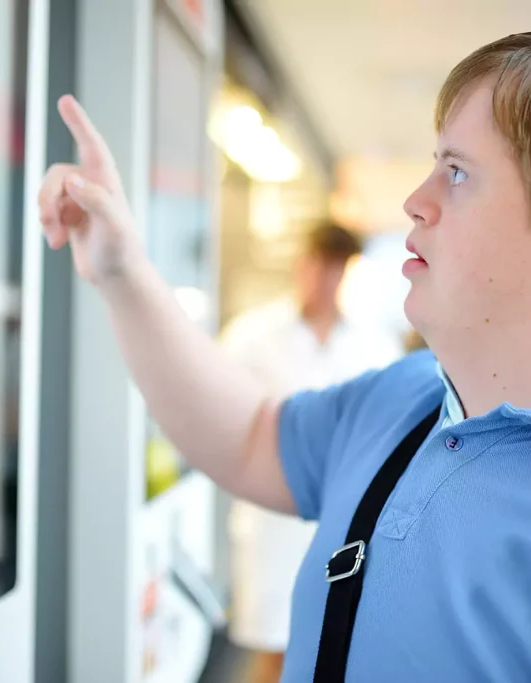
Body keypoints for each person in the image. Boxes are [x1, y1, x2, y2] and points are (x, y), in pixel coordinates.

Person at [39, 26, 531, 682]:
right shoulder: (408, 398)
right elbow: (252, 436)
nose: (416, 200)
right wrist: (121, 270)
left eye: (457, 172)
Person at [219, 223, 401, 682]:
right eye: (317, 263)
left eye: (335, 267)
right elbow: (220, 415)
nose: (324, 277)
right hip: (273, 520)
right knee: (274, 650)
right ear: (302, 263)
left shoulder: (375, 346)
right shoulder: (252, 337)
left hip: (348, 523)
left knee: (339, 647)